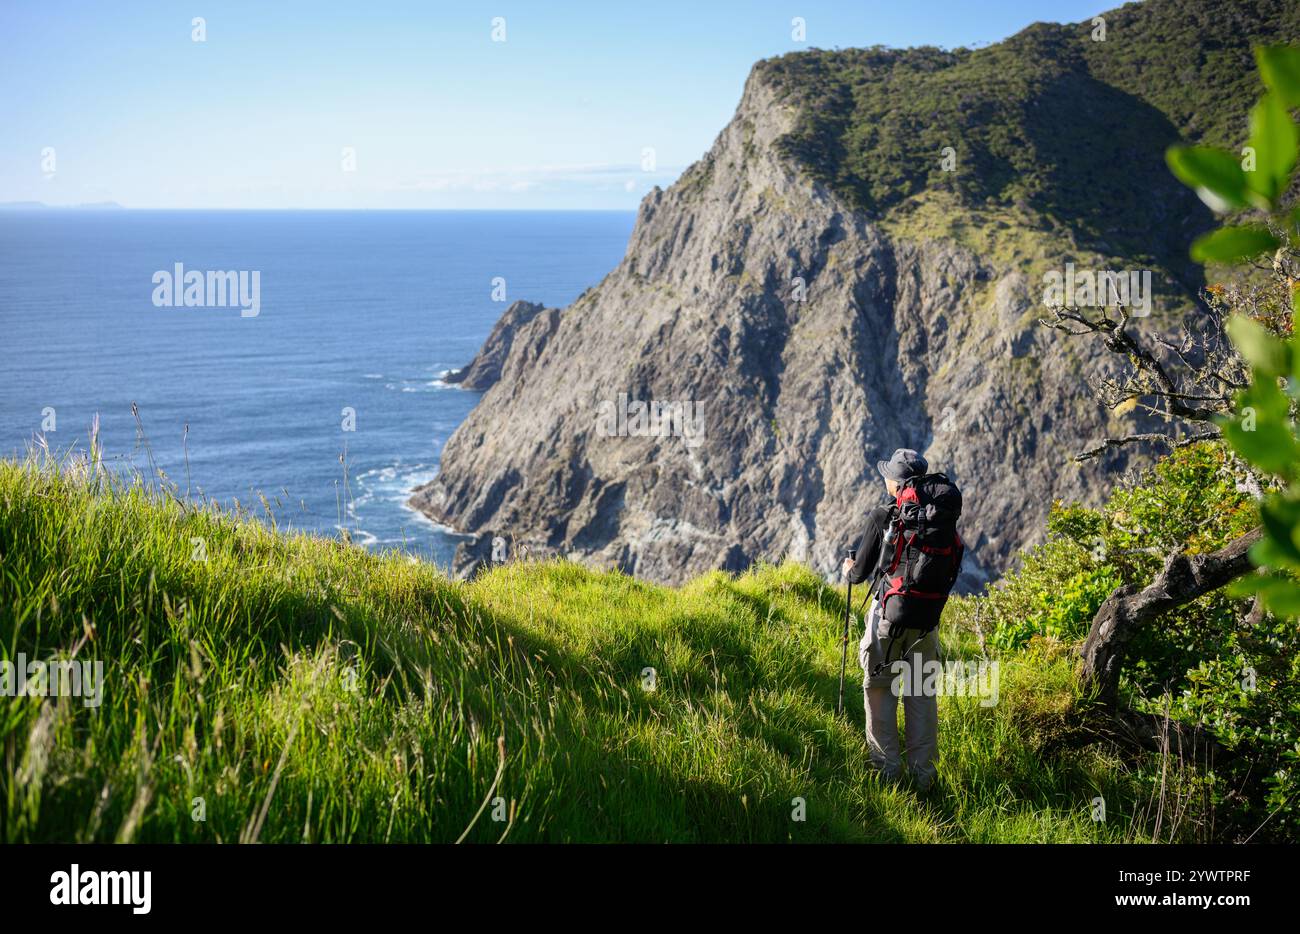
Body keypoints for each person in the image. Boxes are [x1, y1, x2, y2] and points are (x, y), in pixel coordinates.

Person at [841, 448, 942, 791]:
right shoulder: (937, 518)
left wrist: (848, 570)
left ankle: (887, 778)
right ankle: (924, 782)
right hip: (926, 624)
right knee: (922, 700)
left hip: (888, 621)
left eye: (888, 474)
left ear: (896, 483)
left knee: (881, 692)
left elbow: (860, 574)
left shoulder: (883, 516)